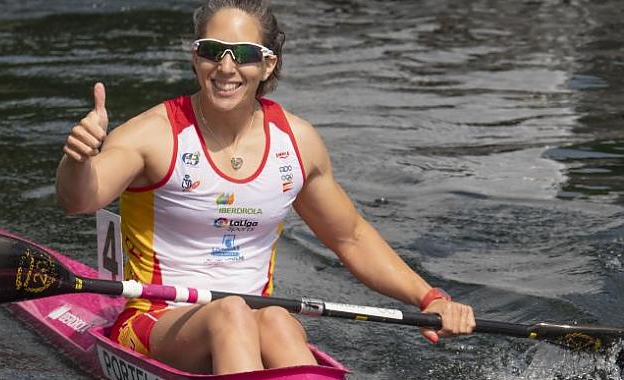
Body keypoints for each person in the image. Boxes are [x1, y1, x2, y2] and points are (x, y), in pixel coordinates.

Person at [56, 0, 475, 375]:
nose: (225, 67)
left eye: (244, 55)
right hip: (155, 319)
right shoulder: (153, 135)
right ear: (194, 57)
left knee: (276, 318)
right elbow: (79, 199)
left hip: (254, 320)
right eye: (210, 51)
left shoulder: (298, 142)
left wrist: (430, 297)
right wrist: (78, 159)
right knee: (233, 312)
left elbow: (351, 237)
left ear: (268, 65)